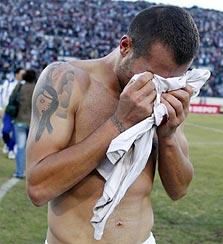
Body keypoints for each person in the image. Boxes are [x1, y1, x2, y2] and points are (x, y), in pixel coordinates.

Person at [26, 5, 199, 244]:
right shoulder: (67, 80)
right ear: (125, 46)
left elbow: (179, 190)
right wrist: (119, 123)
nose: (158, 87)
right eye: (151, 75)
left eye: (170, 81)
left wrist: (168, 137)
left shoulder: (166, 92)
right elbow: (38, 188)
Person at [13, 69, 36, 178]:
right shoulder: (38, 88)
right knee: (32, 150)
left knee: (21, 147)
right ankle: (32, 174)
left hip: (20, 120)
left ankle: (19, 172)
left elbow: (12, 100)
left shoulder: (20, 87)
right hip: (33, 123)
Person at [1, 67, 25, 159]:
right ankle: (8, 144)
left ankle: (11, 150)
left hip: (19, 113)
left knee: (16, 133)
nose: (24, 75)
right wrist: (1, 108)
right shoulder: (8, 83)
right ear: (17, 73)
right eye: (22, 73)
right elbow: (2, 96)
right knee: (5, 131)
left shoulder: (24, 85)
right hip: (7, 111)